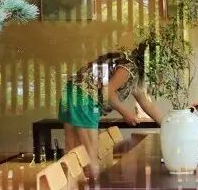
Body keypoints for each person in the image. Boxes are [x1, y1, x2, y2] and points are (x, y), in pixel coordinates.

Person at [58, 48, 162, 181]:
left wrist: (167, 123)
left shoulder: (134, 73)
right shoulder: (130, 67)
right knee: (90, 155)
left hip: (71, 91)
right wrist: (126, 113)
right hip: (84, 96)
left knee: (72, 147)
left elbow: (147, 104)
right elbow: (106, 92)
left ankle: (71, 188)